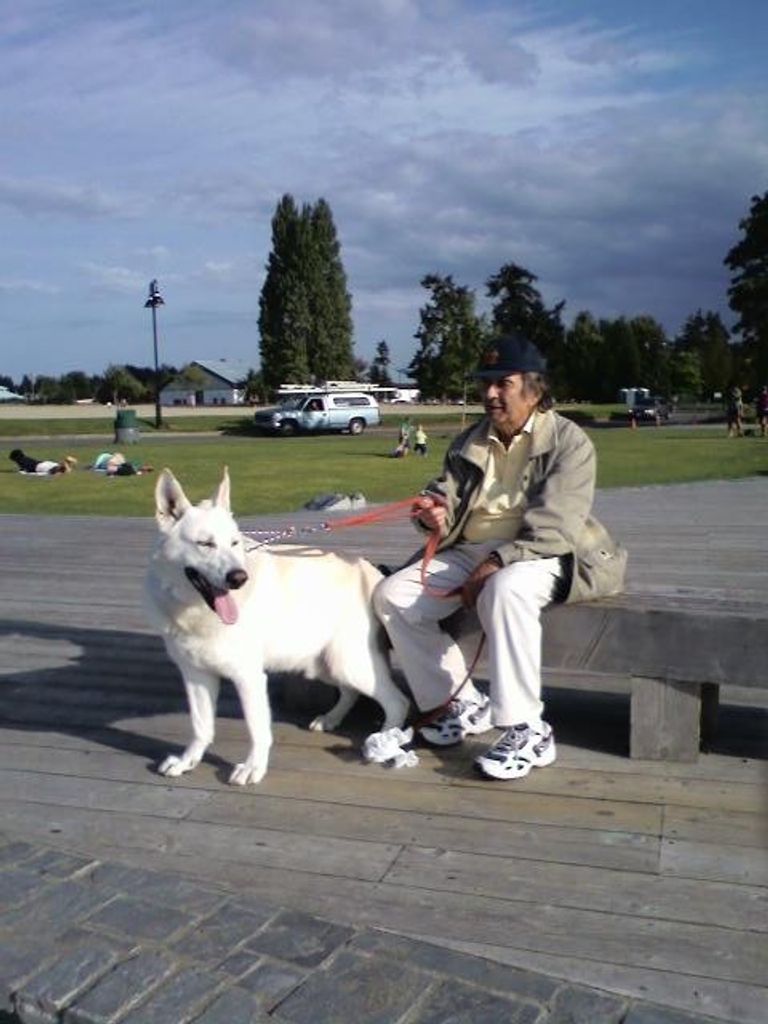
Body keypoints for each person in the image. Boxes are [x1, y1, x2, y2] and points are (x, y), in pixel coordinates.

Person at [374, 333, 626, 781]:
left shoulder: (571, 442)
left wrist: (498, 562)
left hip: (547, 552)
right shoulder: (468, 440)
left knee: (505, 589)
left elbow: (555, 527)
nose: (489, 394)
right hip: (472, 550)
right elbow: (444, 495)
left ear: (534, 389)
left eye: (502, 383)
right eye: (485, 383)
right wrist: (433, 514)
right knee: (393, 595)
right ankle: (460, 703)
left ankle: (527, 728)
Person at [9, 449, 77, 475]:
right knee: (61, 471)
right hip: (44, 463)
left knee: (53, 471)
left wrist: (23, 471)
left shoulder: (21, 461)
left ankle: (65, 463)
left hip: (40, 466)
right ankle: (66, 463)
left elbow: (27, 469)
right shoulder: (25, 459)